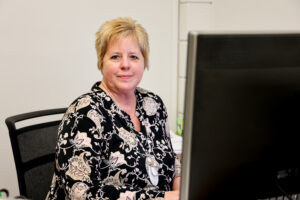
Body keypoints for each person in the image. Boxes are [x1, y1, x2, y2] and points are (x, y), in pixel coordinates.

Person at [46, 17, 181, 200]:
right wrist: (165, 198)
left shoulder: (153, 105)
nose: (125, 65)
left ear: (144, 62)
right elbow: (80, 194)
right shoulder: (84, 114)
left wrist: (182, 191)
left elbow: (172, 161)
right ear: (102, 61)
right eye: (115, 56)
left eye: (133, 56)